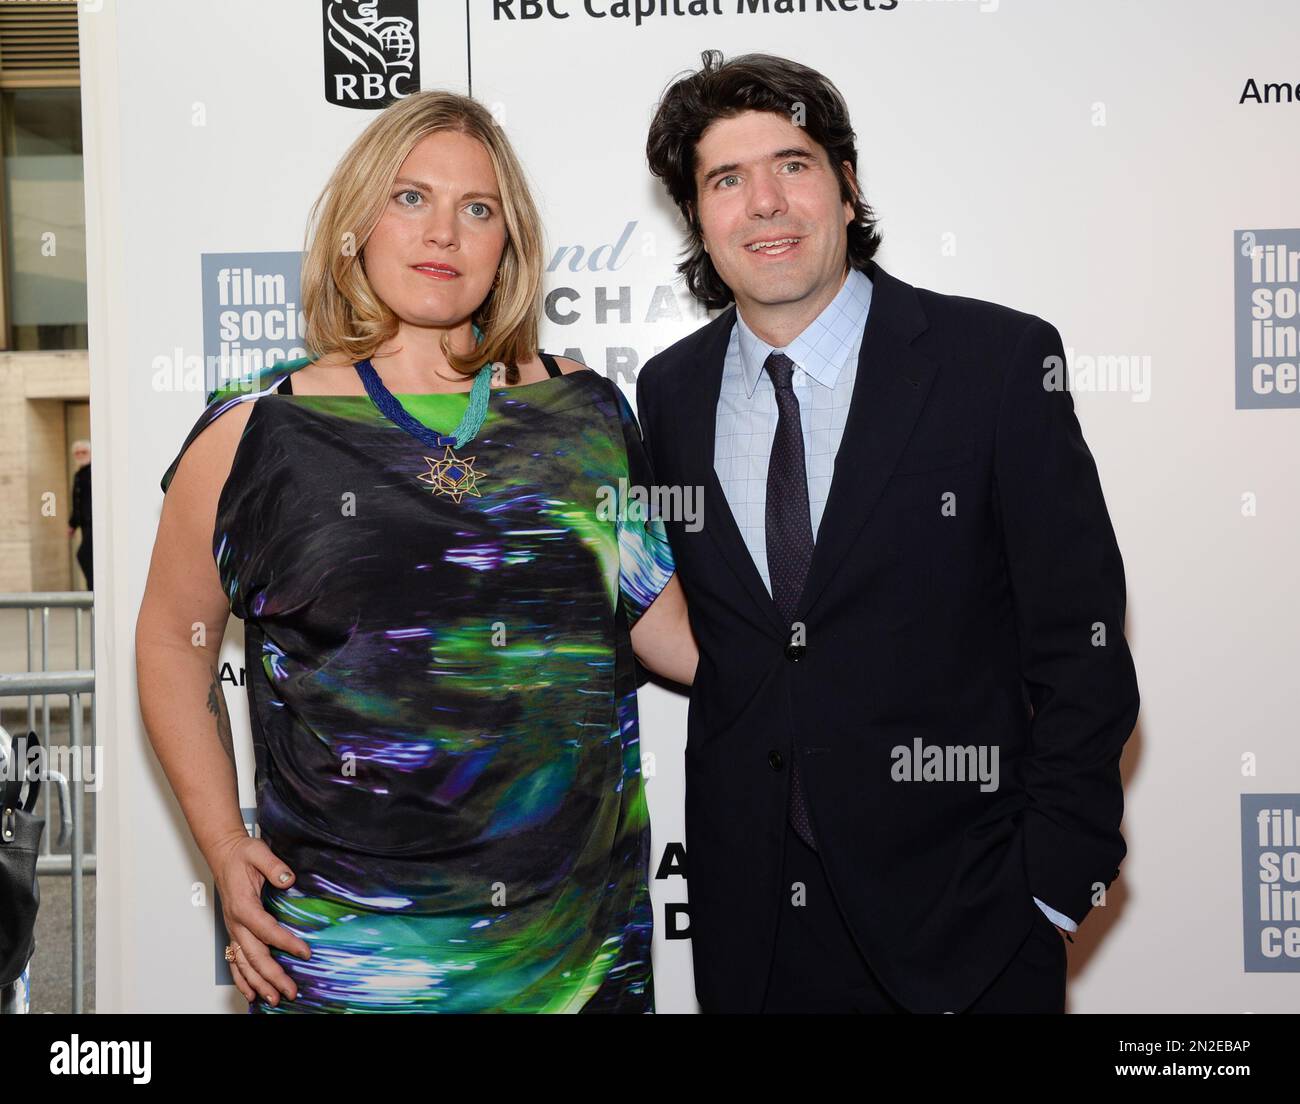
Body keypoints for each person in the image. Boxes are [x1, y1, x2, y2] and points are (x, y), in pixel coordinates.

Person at [136, 90, 694, 1014]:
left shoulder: (586, 412)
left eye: (478, 208)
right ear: (357, 222)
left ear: (508, 242)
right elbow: (171, 642)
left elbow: (667, 628)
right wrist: (224, 845)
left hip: (572, 957)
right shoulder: (256, 433)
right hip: (348, 957)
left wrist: (838, 641)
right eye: (410, 198)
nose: (444, 232)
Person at [637, 51, 1140, 1014]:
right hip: (754, 936)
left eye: (792, 165)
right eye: (726, 180)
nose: (765, 203)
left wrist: (1050, 885)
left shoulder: (996, 362)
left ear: (847, 184)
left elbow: (1080, 646)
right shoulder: (669, 392)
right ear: (698, 217)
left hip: (970, 923)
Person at [67, 439, 92, 589]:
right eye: (77, 453)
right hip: (84, 524)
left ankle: (93, 590)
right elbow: (77, 503)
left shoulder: (93, 472)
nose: (80, 455)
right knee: (89, 557)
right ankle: (92, 590)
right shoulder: (78, 474)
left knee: (84, 555)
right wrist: (72, 524)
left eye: (84, 452)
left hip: (94, 523)